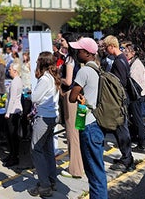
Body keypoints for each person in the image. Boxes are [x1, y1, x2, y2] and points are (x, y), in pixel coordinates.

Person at [69, 37, 108, 199]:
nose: (77, 52)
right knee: (97, 168)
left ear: (87, 53)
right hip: (95, 122)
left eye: (79, 50)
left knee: (93, 170)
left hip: (89, 124)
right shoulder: (97, 68)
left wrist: (78, 96)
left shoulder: (84, 71)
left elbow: (72, 97)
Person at [28, 51, 60, 197]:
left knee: (36, 150)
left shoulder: (45, 79)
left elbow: (35, 98)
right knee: (47, 149)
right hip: (52, 116)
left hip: (44, 117)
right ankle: (51, 180)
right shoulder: (52, 77)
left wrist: (30, 94)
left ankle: (44, 184)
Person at [102, 35, 135, 172]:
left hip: (119, 101)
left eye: (105, 47)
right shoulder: (121, 59)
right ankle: (126, 157)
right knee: (120, 129)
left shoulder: (119, 61)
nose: (104, 50)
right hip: (120, 100)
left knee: (121, 130)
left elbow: (120, 83)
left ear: (111, 46)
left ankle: (127, 159)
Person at [60, 32, 84, 179]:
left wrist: (58, 77)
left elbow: (68, 81)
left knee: (72, 133)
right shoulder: (80, 58)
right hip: (81, 96)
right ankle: (80, 165)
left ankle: (75, 169)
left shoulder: (69, 59)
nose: (60, 42)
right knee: (80, 131)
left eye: (62, 40)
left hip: (71, 97)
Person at [123, 42, 145, 153]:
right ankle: (135, 138)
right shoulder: (131, 62)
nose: (124, 53)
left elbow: (135, 83)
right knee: (134, 119)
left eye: (126, 51)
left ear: (133, 53)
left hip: (136, 96)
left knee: (138, 120)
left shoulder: (137, 64)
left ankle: (142, 144)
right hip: (134, 96)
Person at [4, 61, 23, 167]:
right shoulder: (16, 80)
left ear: (15, 71)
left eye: (10, 69)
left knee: (13, 136)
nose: (9, 71)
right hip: (13, 110)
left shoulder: (16, 82)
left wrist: (7, 113)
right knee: (11, 136)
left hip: (13, 111)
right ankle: (12, 154)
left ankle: (14, 156)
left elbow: (12, 98)